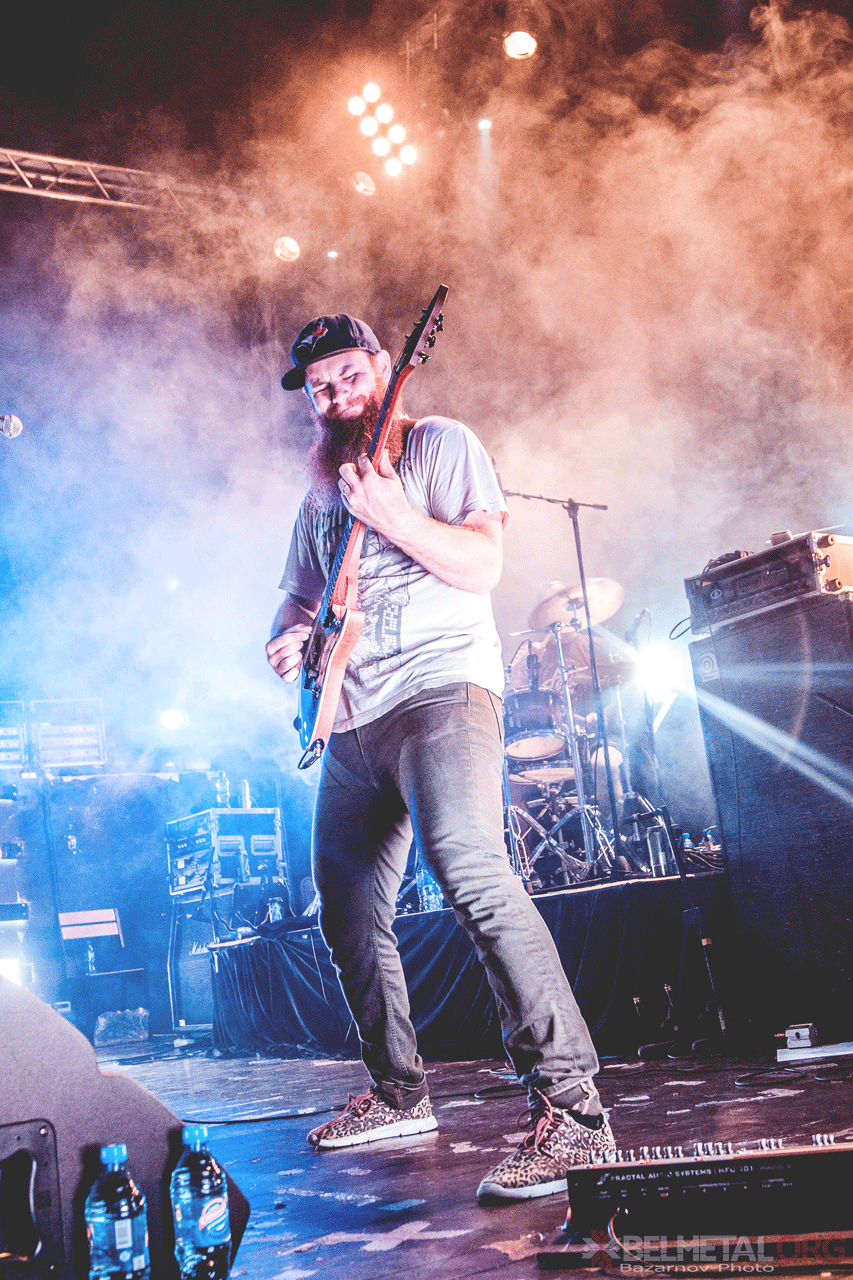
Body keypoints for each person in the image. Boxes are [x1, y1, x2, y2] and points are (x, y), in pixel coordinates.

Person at [266, 312, 616, 1200]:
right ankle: (398, 1094)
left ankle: (574, 1112)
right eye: (319, 389)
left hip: (441, 692)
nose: (335, 396)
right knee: (345, 908)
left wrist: (394, 515)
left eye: (348, 376)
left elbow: (481, 566)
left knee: (469, 869)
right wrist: (290, 639)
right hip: (351, 721)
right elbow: (296, 603)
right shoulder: (316, 498)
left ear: (384, 366)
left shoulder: (439, 445)